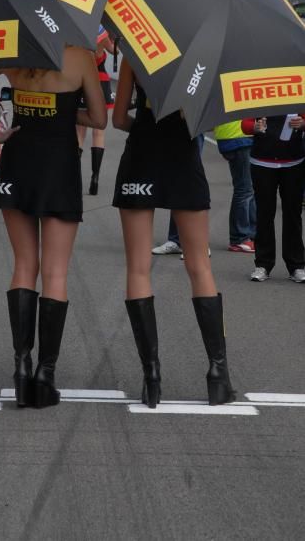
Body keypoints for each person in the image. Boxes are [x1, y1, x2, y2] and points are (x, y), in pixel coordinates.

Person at [0, 46, 106, 408]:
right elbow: (99, 119)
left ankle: (21, 366)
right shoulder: (80, 58)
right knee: (55, 273)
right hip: (59, 166)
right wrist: (65, 110)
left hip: (18, 161)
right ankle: (45, 375)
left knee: (23, 265)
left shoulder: (11, 50)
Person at [112, 57, 235, 408]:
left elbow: (118, 119)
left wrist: (145, 128)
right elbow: (206, 122)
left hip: (141, 155)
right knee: (199, 266)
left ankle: (151, 377)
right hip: (183, 156)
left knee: (138, 269)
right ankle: (218, 375)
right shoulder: (201, 59)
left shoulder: (137, 55)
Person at [241, 114, 305, 282]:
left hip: (293, 161)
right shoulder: (258, 97)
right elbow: (245, 124)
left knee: (293, 214)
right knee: (264, 214)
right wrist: (254, 127)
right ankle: (263, 264)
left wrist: (303, 124)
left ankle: (296, 265)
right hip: (262, 161)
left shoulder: (297, 97)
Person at [151, 135, 206, 257]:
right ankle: (176, 240)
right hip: (175, 133)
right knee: (178, 182)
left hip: (192, 131)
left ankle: (198, 244)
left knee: (191, 179)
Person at [76, 25, 114, 195]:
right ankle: (95, 178)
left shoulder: (80, 31)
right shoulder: (101, 33)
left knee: (79, 131)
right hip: (101, 83)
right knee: (99, 133)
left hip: (84, 82)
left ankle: (74, 176)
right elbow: (114, 51)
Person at [214, 120, 256, 253]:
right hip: (239, 136)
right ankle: (239, 238)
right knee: (244, 190)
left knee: (248, 190)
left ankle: (249, 235)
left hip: (234, 136)